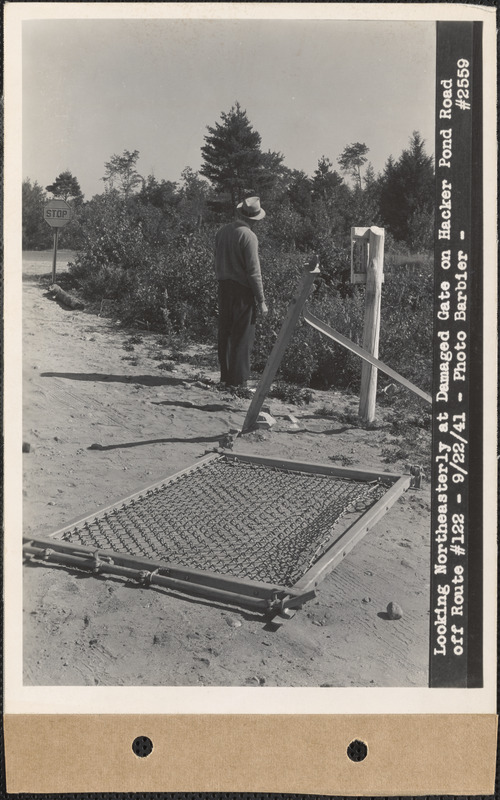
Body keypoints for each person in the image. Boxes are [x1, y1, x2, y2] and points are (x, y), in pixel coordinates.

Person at [214, 196, 268, 388]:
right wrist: (261, 300)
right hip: (242, 291)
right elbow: (254, 272)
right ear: (254, 219)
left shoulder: (222, 232)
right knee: (243, 335)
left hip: (223, 287)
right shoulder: (249, 236)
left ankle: (226, 377)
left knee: (226, 333)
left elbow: (216, 260)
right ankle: (240, 380)